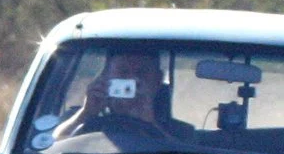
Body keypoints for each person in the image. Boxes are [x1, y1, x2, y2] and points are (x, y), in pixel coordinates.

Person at [52, 48, 194, 145]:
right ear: (105, 77)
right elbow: (49, 146)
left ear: (158, 81)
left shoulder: (181, 133)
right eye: (123, 72)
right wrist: (86, 113)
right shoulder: (78, 118)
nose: (132, 80)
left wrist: (151, 124)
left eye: (142, 73)